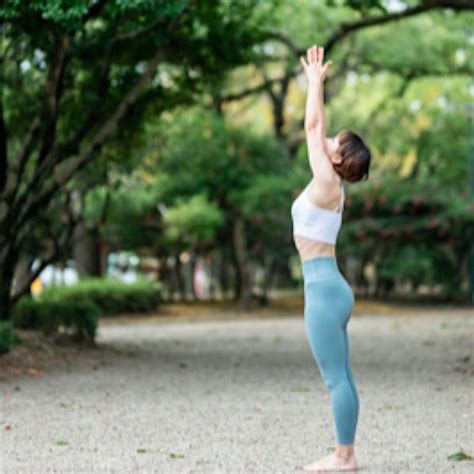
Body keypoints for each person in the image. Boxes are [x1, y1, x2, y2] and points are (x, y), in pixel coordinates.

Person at [291, 45, 371, 473]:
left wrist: (315, 83)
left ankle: (344, 457)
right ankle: (348, 453)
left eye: (333, 142)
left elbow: (309, 125)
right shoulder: (331, 186)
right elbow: (315, 128)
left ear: (339, 159)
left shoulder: (327, 181)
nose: (326, 139)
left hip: (322, 291)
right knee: (343, 376)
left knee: (336, 378)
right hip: (331, 287)